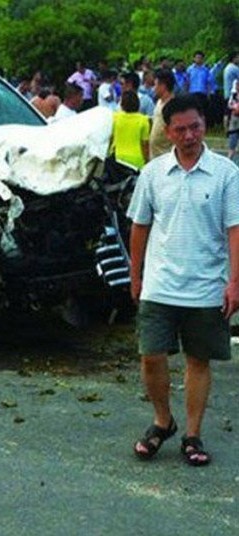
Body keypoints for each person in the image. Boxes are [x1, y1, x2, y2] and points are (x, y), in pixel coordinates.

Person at [127, 95, 239, 466]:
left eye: (196, 126)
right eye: (181, 129)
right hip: (160, 283)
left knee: (198, 360)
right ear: (168, 131)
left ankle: (192, 433)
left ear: (205, 125)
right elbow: (140, 226)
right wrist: (135, 273)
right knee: (151, 356)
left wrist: (234, 282)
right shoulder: (153, 174)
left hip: (207, 285)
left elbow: (234, 230)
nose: (190, 135)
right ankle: (163, 421)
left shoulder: (226, 173)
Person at [110, 90, 150, 169]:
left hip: (118, 158)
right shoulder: (144, 120)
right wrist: (147, 160)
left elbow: (111, 137)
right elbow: (145, 144)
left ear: (122, 105)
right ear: (138, 104)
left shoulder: (115, 118)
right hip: (137, 160)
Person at [149, 69, 176, 158]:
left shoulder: (173, 106)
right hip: (154, 155)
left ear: (163, 86)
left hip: (166, 155)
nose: (154, 88)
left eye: (155, 85)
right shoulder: (159, 102)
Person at [228, 80, 239, 161]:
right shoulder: (234, 95)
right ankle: (229, 161)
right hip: (234, 120)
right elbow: (229, 104)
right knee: (232, 142)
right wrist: (234, 107)